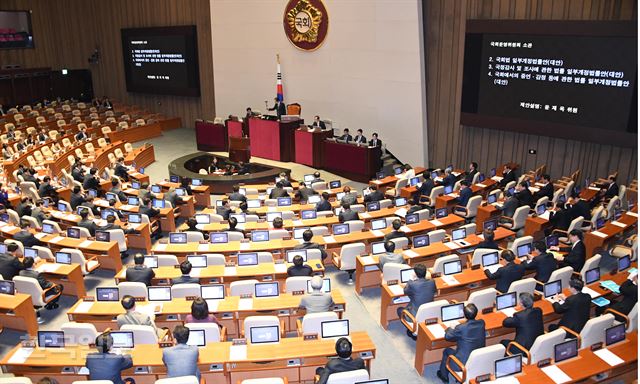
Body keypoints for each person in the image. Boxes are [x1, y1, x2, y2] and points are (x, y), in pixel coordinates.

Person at [437, 304, 485, 383]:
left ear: (464, 315)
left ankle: (443, 376)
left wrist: (450, 328)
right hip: (477, 360)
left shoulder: (462, 328)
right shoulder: (481, 323)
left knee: (447, 351)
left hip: (461, 364)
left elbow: (447, 337)